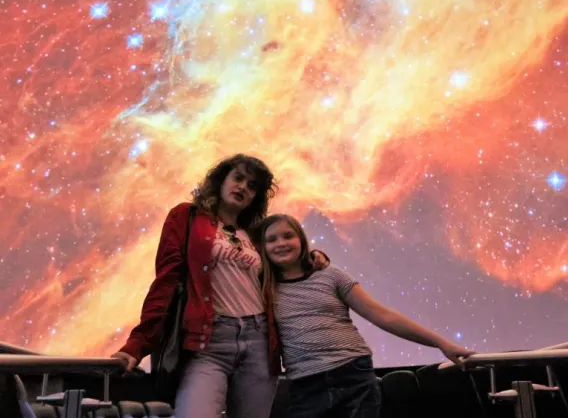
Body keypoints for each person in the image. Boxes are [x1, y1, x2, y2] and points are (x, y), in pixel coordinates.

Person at [112, 154, 328, 418]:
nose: (243, 188)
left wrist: (311, 257)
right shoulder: (186, 217)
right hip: (209, 342)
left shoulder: (256, 234)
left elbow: (284, 265)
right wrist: (137, 344)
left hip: (259, 342)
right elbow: (166, 282)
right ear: (220, 180)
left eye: (252, 186)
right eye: (238, 178)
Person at [256, 214, 475, 418]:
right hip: (305, 385)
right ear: (262, 247)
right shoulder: (261, 286)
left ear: (301, 239)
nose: (281, 243)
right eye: (271, 239)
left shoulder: (331, 275)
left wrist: (441, 343)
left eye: (288, 235)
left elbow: (382, 315)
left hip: (352, 374)